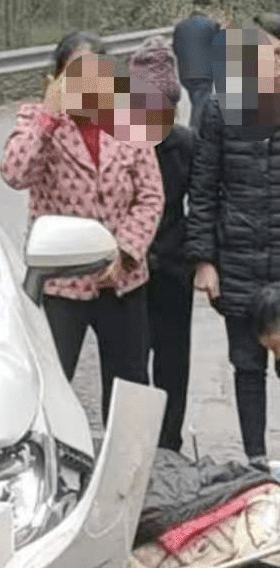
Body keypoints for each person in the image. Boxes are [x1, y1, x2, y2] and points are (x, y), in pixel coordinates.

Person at [0, 30, 165, 428]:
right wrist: (48, 115)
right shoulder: (37, 122)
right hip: (61, 284)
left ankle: (126, 471)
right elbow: (15, 173)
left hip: (121, 280)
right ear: (56, 78)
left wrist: (125, 251)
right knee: (51, 385)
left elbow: (150, 195)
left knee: (130, 387)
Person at [186, 22, 280, 469]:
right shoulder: (220, 111)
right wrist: (204, 261)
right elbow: (202, 191)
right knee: (247, 367)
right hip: (236, 258)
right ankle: (256, 461)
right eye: (271, 56)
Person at [129, 36, 197, 454]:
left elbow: (201, 200)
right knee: (132, 362)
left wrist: (196, 255)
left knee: (174, 360)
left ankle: (169, 443)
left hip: (173, 262)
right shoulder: (122, 142)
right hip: (131, 265)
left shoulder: (186, 143)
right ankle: (137, 443)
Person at [173, 0, 224, 134]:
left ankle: (197, 133)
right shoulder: (212, 24)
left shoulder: (180, 26)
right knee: (200, 106)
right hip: (204, 73)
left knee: (197, 102)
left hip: (185, 74)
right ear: (206, 7)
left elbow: (175, 48)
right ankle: (195, 135)